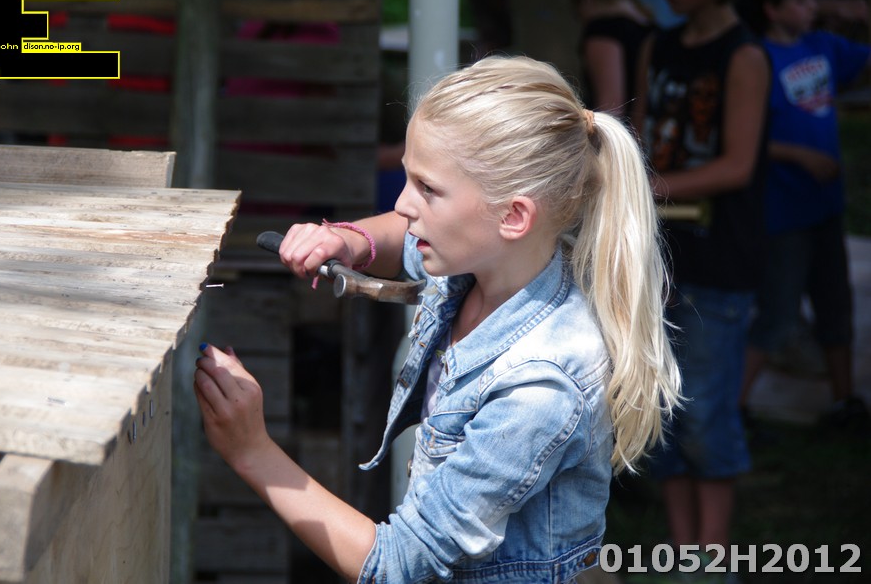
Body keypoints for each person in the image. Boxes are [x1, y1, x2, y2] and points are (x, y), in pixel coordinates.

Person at [193, 55, 682, 583]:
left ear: (513, 215)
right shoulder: (483, 260)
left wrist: (252, 452)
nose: (403, 204)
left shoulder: (540, 387)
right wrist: (350, 240)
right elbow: (400, 237)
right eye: (407, 176)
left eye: (427, 188)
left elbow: (397, 566)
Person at [631, 0, 770, 572]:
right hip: (658, 256)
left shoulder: (745, 56)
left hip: (719, 259)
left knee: (705, 413)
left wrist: (645, 189)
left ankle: (713, 557)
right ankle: (682, 552)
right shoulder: (657, 46)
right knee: (661, 411)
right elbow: (638, 139)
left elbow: (737, 165)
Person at [739, 0, 871, 429]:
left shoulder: (824, 45)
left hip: (825, 207)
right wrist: (798, 154)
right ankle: (733, 409)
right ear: (772, 9)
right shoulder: (756, 59)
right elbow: (745, 139)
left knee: (836, 306)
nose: (813, 7)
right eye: (801, 0)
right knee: (777, 313)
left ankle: (844, 402)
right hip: (783, 213)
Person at [568, 0, 657, 116]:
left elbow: (611, 108)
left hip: (623, 129)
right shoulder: (653, 29)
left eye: (577, 14)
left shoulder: (602, 32)